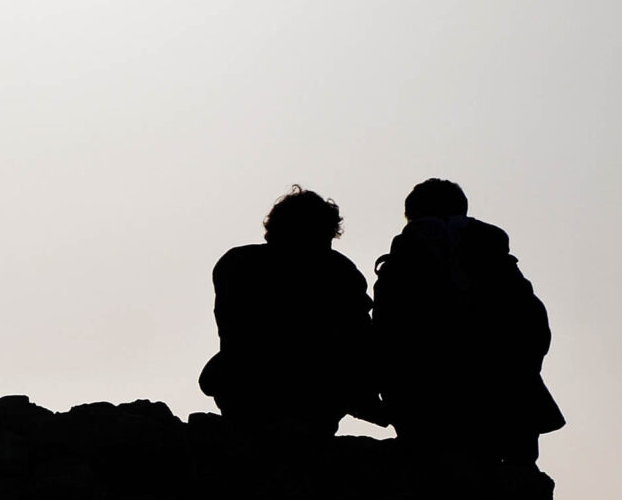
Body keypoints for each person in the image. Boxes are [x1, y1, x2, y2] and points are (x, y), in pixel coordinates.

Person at [370, 178, 564, 464]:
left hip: (426, 408)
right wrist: (518, 371)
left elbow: (385, 338)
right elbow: (535, 326)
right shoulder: (494, 258)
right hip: (505, 404)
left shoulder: (401, 265)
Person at [199, 187, 382, 437]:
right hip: (310, 395)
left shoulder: (237, 263)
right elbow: (360, 337)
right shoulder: (337, 271)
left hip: (243, 391)